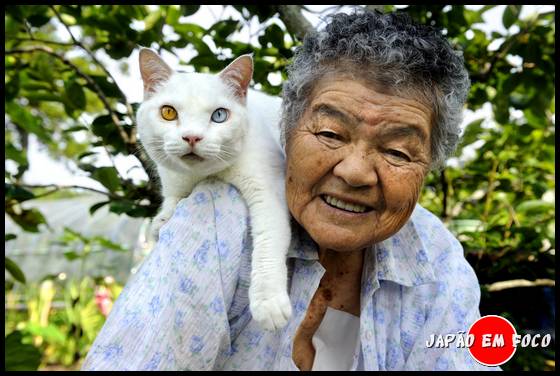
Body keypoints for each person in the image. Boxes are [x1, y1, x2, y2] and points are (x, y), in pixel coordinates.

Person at [82, 9, 499, 371]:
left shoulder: (437, 262)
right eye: (331, 133)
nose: (355, 173)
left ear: (430, 165)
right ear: (286, 129)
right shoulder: (214, 223)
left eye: (396, 150)